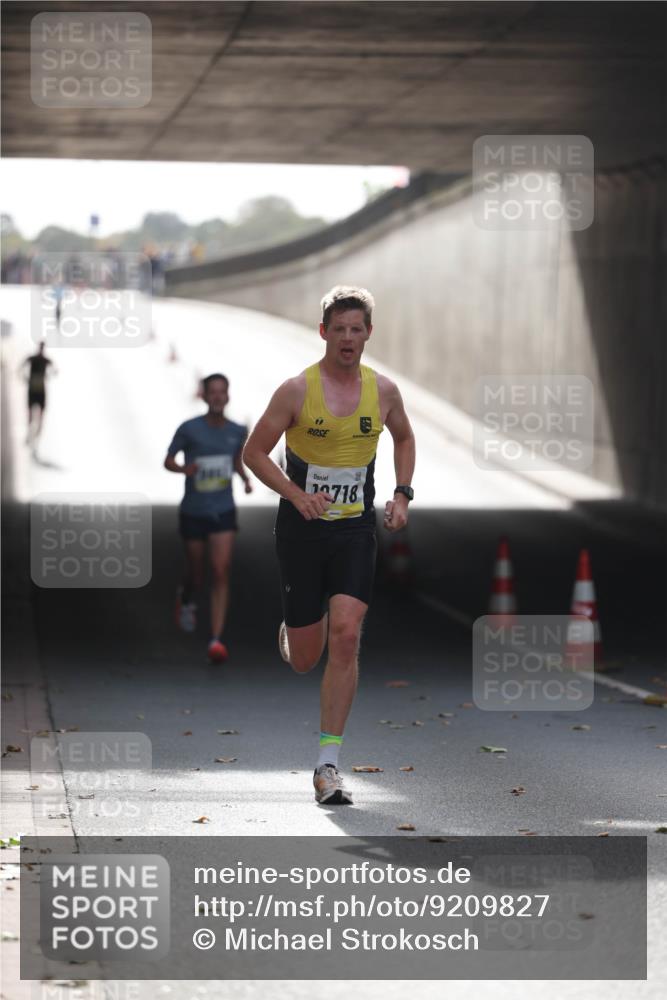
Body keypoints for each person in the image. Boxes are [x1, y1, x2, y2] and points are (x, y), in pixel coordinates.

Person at [243, 285, 416, 805]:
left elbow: (404, 437)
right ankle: (295, 634)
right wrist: (296, 496)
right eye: (337, 329)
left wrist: (402, 494)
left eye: (356, 329)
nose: (347, 338)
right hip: (301, 532)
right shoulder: (296, 391)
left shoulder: (383, 391)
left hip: (353, 530)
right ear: (323, 333)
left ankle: (327, 765)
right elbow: (254, 453)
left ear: (368, 334)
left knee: (346, 633)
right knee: (304, 659)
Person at [164, 373, 252, 663]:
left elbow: (236, 460)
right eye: (212, 392)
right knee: (197, 572)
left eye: (222, 392)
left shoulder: (238, 430)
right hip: (193, 510)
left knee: (221, 570)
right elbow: (168, 459)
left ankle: (216, 639)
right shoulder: (189, 429)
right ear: (203, 396)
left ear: (228, 396)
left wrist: (245, 479)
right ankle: (186, 596)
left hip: (223, 510)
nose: (217, 397)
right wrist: (182, 470)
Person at [20, 341, 56, 449]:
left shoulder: (45, 360)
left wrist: (48, 376)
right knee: (31, 412)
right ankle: (31, 432)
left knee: (40, 413)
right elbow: (21, 367)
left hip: (38, 389)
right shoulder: (35, 359)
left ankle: (36, 435)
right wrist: (24, 377)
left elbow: (55, 370)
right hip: (35, 389)